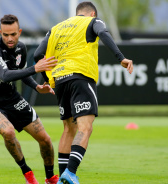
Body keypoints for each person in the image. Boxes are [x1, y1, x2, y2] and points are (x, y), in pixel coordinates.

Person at [34, 2, 133, 184]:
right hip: (81, 77)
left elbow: (37, 55)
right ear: (92, 13)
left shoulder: (55, 28)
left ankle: (62, 176)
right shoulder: (92, 22)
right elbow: (103, 33)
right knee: (85, 127)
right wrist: (121, 58)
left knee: (68, 129)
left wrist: (48, 80)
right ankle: (70, 172)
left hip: (61, 80)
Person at [0, 14, 59, 184]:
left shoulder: (21, 48)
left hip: (12, 99)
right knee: (8, 131)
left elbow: (20, 72)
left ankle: (50, 178)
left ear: (19, 31)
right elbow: (6, 75)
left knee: (45, 139)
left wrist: (36, 86)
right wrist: (35, 68)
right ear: (0, 32)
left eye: (13, 34)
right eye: (5, 35)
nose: (10, 38)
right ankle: (28, 175)